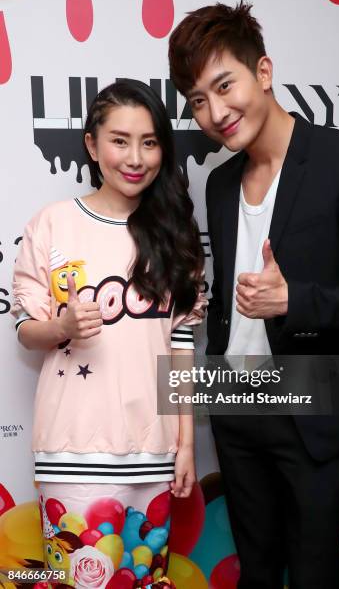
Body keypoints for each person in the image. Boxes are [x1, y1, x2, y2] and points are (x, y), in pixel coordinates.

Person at [168, 1, 339, 589]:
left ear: (264, 72)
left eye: (225, 86)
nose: (215, 112)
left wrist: (293, 301)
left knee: (313, 571)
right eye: (198, 100)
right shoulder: (222, 185)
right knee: (256, 567)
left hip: (315, 401)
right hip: (238, 402)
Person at [12, 79, 206, 589]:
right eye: (120, 140)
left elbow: (180, 350)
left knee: (143, 580)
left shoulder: (175, 236)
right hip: (73, 453)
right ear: (92, 145)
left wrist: (184, 446)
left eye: (149, 141)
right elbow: (25, 331)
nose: (135, 157)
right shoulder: (52, 225)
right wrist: (62, 326)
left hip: (153, 453)